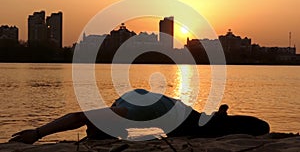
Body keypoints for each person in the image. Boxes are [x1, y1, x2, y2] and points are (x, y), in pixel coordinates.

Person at [9, 89, 270, 144]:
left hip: (193, 123)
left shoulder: (125, 111)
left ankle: (223, 118)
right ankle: (222, 117)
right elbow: (85, 117)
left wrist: (38, 133)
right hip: (186, 114)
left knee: (261, 127)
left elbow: (79, 116)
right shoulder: (121, 102)